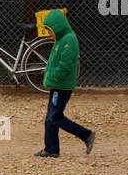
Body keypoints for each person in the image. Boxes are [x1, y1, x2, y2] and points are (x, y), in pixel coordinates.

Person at [35, 9, 95, 158]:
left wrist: (54, 77)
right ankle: (51, 149)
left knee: (55, 117)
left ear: (58, 26)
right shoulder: (62, 38)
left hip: (61, 85)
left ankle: (86, 135)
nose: (49, 33)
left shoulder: (68, 39)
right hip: (58, 85)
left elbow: (66, 64)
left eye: (50, 30)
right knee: (51, 117)